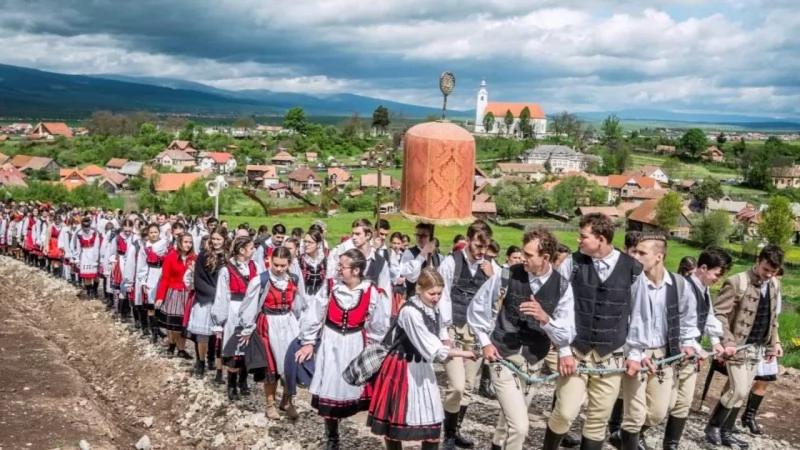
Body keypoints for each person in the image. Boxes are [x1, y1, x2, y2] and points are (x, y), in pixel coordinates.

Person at [468, 227, 574, 450]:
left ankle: (497, 445)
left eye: (529, 255)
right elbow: (477, 307)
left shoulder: (563, 287)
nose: (523, 259)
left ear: (545, 257)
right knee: (520, 426)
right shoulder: (507, 274)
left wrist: (545, 318)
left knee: (509, 420)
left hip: (534, 361)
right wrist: (485, 342)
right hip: (502, 356)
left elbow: (567, 334)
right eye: (523, 253)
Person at [546, 213, 642, 450]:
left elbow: (640, 315)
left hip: (612, 352)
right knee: (566, 411)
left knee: (598, 419)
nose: (578, 241)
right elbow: (557, 306)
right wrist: (563, 349)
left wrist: (636, 353)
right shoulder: (572, 263)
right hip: (576, 352)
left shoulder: (633, 269)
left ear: (601, 239)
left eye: (583, 236)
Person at [369, 268, 476, 450]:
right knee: (396, 420)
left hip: (422, 367)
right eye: (431, 293)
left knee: (432, 422)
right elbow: (430, 347)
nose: (436, 298)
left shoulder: (433, 308)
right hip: (403, 367)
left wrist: (448, 342)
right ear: (419, 289)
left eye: (439, 294)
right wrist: (464, 353)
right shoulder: (410, 312)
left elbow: (441, 328)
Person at [295, 248, 389, 450]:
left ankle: (345, 417)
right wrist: (309, 341)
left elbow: (378, 324)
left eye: (342, 266)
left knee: (350, 386)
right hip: (331, 340)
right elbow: (314, 314)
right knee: (330, 384)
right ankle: (332, 435)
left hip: (355, 342)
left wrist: (373, 348)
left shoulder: (370, 292)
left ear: (355, 270)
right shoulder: (331, 286)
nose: (338, 269)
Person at [611, 233, 698, 450]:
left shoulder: (678, 284)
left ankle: (621, 437)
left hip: (663, 354)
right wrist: (633, 353)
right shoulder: (630, 281)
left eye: (642, 253)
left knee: (659, 412)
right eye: (636, 251)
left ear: (659, 256)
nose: (636, 256)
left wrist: (688, 342)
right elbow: (621, 318)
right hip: (634, 353)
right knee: (635, 414)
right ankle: (627, 440)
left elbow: (688, 316)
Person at [704, 245, 783, 449]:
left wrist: (773, 345)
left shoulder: (774, 284)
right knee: (738, 390)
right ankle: (713, 426)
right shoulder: (737, 281)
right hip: (737, 346)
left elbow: (772, 318)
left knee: (743, 390)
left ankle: (726, 432)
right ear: (758, 261)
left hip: (758, 346)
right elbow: (719, 313)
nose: (768, 275)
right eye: (766, 269)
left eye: (773, 272)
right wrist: (727, 341)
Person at [663, 246, 731, 450]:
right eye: (717, 274)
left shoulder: (705, 290)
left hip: (691, 357)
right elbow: (679, 323)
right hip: (674, 353)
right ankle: (630, 436)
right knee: (664, 403)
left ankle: (671, 444)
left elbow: (708, 317)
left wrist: (716, 342)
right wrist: (693, 344)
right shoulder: (683, 287)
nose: (718, 279)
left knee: (684, 402)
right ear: (703, 268)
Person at [438, 220, 498, 449]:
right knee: (457, 386)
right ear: (468, 239)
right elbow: (441, 298)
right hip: (453, 328)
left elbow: (493, 305)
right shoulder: (450, 263)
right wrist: (444, 333)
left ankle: (455, 432)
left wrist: (493, 278)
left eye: (485, 246)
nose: (481, 251)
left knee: (469, 387)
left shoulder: (491, 267)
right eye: (477, 245)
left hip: (477, 334)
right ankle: (447, 433)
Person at [239, 246, 305, 420]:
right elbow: (249, 305)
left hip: (288, 324)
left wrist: (300, 326)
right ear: (270, 261)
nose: (279, 268)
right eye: (276, 264)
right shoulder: (261, 280)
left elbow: (299, 304)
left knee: (290, 365)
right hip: (267, 324)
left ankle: (286, 400)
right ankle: (270, 404)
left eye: (283, 265)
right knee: (270, 366)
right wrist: (247, 328)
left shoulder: (295, 279)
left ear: (289, 264)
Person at [212, 236, 258, 401]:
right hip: (234, 309)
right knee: (235, 347)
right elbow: (221, 296)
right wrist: (219, 321)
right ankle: (231, 384)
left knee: (247, 346)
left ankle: (243, 380)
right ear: (241, 250)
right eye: (251, 248)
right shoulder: (226, 270)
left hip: (250, 308)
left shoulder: (255, 266)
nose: (253, 251)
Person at [185, 230, 228, 379]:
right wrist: (214, 293)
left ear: (224, 239)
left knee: (218, 337)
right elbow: (199, 278)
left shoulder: (228, 257)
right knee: (202, 336)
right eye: (214, 239)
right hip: (206, 299)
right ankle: (201, 362)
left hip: (223, 300)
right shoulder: (203, 255)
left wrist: (223, 296)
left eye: (219, 239)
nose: (216, 242)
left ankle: (215, 363)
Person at [155, 232, 196, 359]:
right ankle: (172, 344)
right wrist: (160, 296)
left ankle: (182, 349)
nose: (188, 245)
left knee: (183, 324)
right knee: (172, 323)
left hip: (188, 293)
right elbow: (165, 278)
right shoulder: (171, 257)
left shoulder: (195, 258)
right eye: (185, 242)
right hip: (174, 292)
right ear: (179, 242)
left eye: (190, 242)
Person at [136, 223, 170, 344]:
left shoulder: (165, 244)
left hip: (162, 274)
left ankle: (161, 329)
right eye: (151, 232)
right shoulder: (145, 247)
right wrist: (143, 281)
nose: (153, 234)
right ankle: (154, 331)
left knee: (161, 305)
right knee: (151, 306)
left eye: (155, 232)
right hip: (150, 275)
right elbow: (142, 265)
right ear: (148, 234)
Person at [71, 216, 102, 299]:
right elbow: (76, 247)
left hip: (94, 254)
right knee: (87, 276)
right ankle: (89, 291)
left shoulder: (95, 232)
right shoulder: (78, 234)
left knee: (96, 275)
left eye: (87, 226)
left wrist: (98, 258)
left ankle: (95, 290)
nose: (86, 229)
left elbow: (98, 245)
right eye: (84, 227)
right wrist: (77, 259)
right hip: (84, 255)